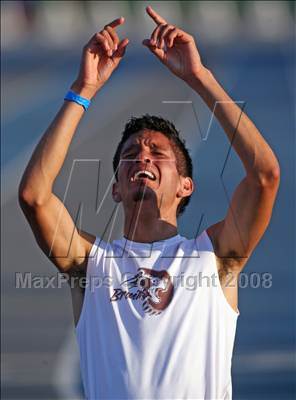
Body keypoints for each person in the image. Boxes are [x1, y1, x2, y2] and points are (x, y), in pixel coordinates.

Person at [18, 6, 280, 400]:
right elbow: (34, 196)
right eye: (130, 154)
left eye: (158, 153)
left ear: (186, 185)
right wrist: (83, 91)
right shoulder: (92, 265)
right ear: (116, 189)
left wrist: (200, 77)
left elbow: (264, 176)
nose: (142, 156)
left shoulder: (215, 257)